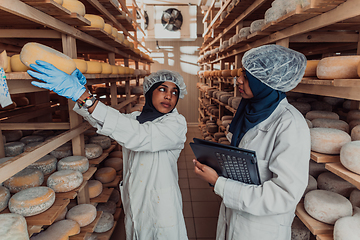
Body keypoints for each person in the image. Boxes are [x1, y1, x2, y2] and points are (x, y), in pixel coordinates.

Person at [28, 63, 189, 240]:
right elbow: (106, 122)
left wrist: (84, 96)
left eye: (175, 92)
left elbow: (138, 136)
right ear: (149, 92)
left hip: (161, 207)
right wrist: (81, 94)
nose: (169, 96)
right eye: (163, 89)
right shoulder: (136, 118)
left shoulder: (176, 124)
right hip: (136, 201)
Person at [193, 44, 311, 240]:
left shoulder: (291, 125)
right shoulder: (248, 111)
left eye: (247, 77)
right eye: (242, 73)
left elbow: (283, 196)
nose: (238, 80)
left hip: (261, 229)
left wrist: (218, 182)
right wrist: (216, 164)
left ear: (267, 81)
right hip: (234, 215)